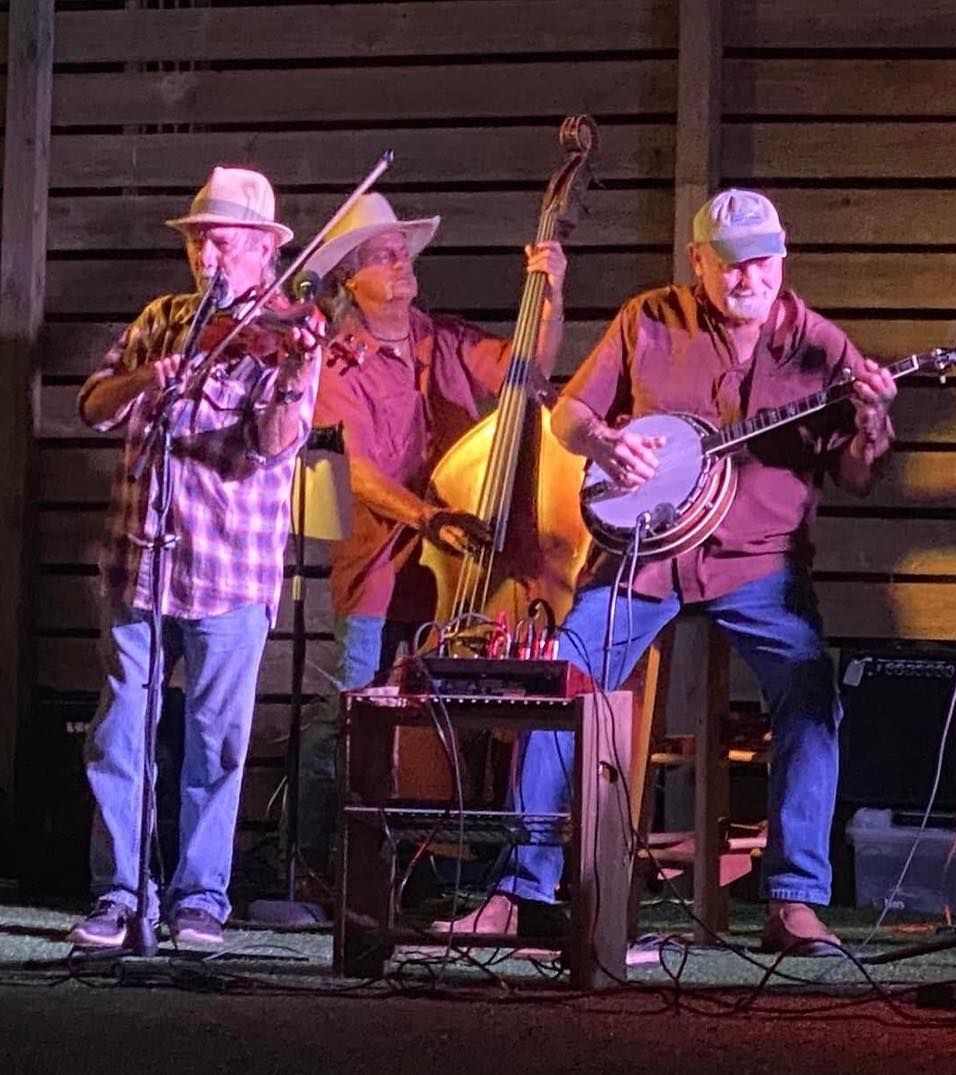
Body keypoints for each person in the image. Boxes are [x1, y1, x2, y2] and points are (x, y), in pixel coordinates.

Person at [438, 188, 897, 956]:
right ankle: (518, 889)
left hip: (760, 563)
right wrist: (606, 445)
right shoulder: (648, 318)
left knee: (812, 693)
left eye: (760, 263)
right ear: (697, 262)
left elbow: (854, 474)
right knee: (566, 677)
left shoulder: (822, 347)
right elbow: (569, 415)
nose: (747, 278)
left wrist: (873, 426)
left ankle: (794, 899)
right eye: (729, 265)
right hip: (643, 556)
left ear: (782, 259)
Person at [69, 166, 324, 949]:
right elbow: (91, 405)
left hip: (229, 572)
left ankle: (199, 899)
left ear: (259, 249)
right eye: (198, 241)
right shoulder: (162, 319)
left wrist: (294, 373)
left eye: (219, 241)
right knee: (121, 734)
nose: (204, 255)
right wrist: (151, 375)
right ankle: (120, 893)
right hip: (138, 562)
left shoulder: (281, 337)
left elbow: (273, 447)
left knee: (215, 744)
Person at [295, 193, 567, 874]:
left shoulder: (442, 336)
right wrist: (426, 518)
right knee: (351, 712)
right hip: (380, 568)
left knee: (443, 714)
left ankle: (421, 865)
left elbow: (527, 374)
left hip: (464, 570)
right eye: (382, 255)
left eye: (402, 250)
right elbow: (350, 469)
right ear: (347, 278)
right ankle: (312, 859)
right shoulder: (331, 360)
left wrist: (550, 292)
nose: (401, 261)